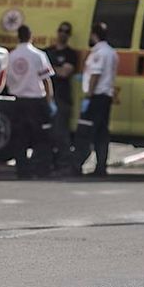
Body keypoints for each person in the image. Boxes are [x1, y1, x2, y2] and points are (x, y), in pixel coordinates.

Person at [6, 25, 56, 179]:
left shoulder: (11, 56)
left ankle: (22, 170)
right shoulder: (38, 55)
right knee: (41, 137)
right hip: (36, 102)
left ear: (18, 37)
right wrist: (49, 101)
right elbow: (46, 80)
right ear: (30, 36)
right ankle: (41, 168)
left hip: (18, 101)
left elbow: (7, 81)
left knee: (20, 137)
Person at [71, 22, 118, 177]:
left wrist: (89, 95)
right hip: (106, 97)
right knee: (101, 134)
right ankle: (101, 166)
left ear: (94, 34)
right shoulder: (112, 52)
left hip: (96, 97)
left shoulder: (99, 53)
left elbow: (95, 75)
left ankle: (77, 165)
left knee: (85, 132)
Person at [45, 22, 79, 172]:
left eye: (66, 31)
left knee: (61, 133)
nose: (63, 33)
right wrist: (54, 70)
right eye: (61, 30)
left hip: (62, 98)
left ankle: (65, 164)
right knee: (47, 132)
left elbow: (64, 73)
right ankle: (50, 161)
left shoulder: (71, 54)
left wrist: (49, 70)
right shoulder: (48, 51)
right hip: (47, 97)